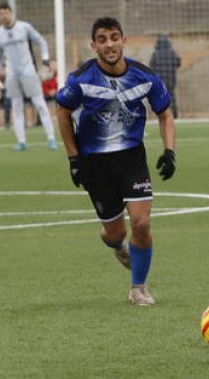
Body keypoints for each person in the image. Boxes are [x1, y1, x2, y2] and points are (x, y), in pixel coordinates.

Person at [54, 16, 179, 307]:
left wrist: (169, 151)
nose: (109, 44)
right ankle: (116, 245)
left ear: (124, 40)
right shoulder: (81, 79)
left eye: (114, 37)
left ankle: (138, 287)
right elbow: (62, 111)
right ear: (93, 45)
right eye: (102, 39)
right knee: (115, 232)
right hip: (94, 163)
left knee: (141, 222)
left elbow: (165, 113)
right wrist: (74, 158)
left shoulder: (145, 76)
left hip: (131, 158)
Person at [0, 3, 58, 151]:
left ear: (11, 13)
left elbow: (41, 41)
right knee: (16, 106)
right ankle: (21, 141)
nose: (3, 16)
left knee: (40, 103)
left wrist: (45, 59)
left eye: (6, 13)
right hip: (11, 73)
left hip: (28, 71)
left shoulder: (24, 27)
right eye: (1, 14)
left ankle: (51, 138)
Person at [148, 34, 182, 118]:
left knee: (161, 97)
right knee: (172, 97)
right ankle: (174, 115)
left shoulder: (155, 54)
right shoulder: (172, 53)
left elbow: (151, 67)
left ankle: (162, 115)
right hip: (171, 80)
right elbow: (178, 63)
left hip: (160, 80)